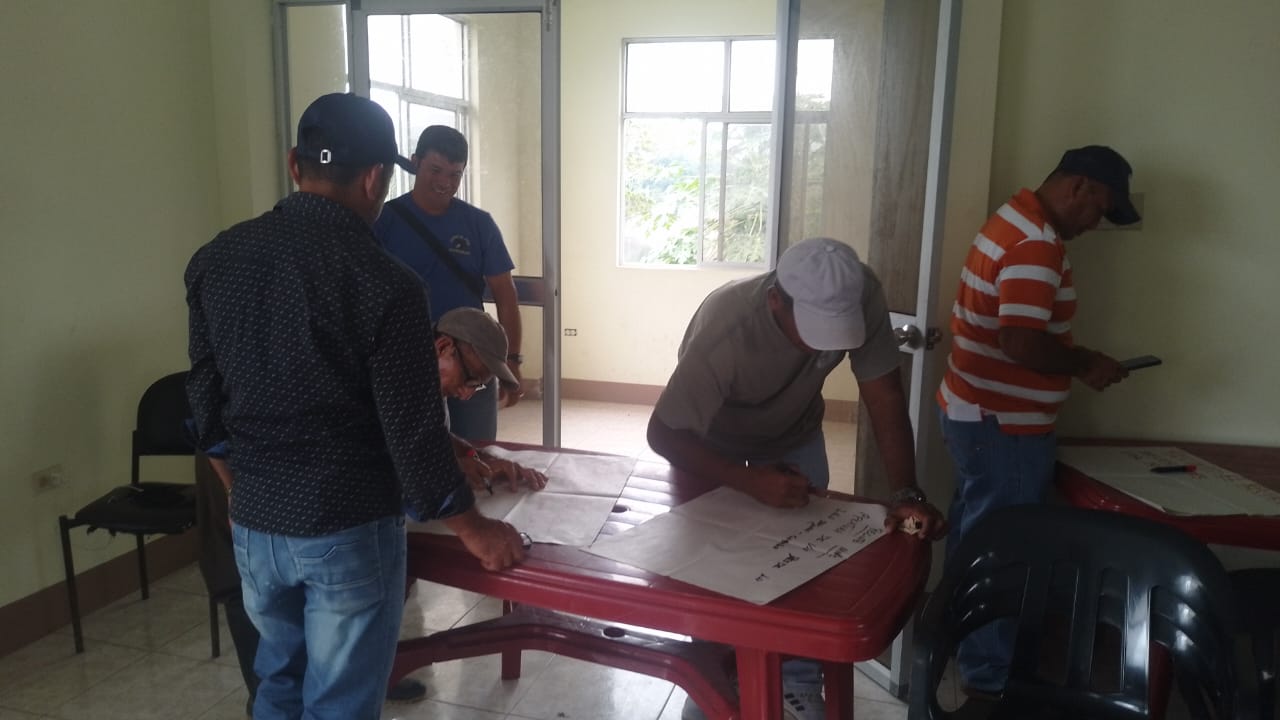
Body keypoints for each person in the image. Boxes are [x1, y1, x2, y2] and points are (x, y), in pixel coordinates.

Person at [185, 93, 527, 720]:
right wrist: (474, 530)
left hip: (255, 524)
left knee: (279, 683)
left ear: (295, 164)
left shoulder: (216, 260)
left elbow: (205, 406)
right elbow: (411, 429)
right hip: (344, 526)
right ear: (375, 178)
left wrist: (238, 494)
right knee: (340, 702)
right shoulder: (387, 282)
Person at [646, 236, 947, 720]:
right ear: (775, 301)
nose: (823, 347)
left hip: (794, 433)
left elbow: (885, 397)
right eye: (812, 330)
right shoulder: (727, 325)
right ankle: (714, 678)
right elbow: (663, 433)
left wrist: (906, 492)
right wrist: (748, 481)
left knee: (806, 563)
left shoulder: (861, 293)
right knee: (711, 563)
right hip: (711, 441)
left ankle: (799, 683)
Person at [193, 306, 547, 716]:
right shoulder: (389, 359)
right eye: (470, 378)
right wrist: (475, 528)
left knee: (286, 674)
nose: (468, 394)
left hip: (265, 517)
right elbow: (409, 454)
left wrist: (472, 454)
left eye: (479, 386)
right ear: (443, 347)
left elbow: (416, 433)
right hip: (306, 521)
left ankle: (372, 673)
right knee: (336, 687)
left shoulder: (357, 352)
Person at [936, 145, 1140, 696]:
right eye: (1099, 209)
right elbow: (1021, 341)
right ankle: (989, 674)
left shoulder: (1012, 219)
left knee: (978, 536)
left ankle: (957, 640)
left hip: (976, 412)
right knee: (1006, 548)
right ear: (1078, 187)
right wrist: (1085, 363)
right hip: (1005, 427)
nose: (1095, 224)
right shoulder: (1035, 243)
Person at [374, 125, 524, 442]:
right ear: (415, 162)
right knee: (419, 452)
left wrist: (511, 360)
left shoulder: (479, 224)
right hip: (409, 364)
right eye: (435, 170)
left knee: (477, 450)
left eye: (455, 174)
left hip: (473, 360)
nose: (445, 182)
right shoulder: (384, 221)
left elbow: (505, 295)